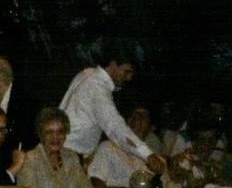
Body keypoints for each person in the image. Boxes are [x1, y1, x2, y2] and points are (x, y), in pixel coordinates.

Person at [59, 38, 165, 174]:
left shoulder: (87, 73)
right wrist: (148, 155)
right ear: (113, 64)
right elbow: (116, 128)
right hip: (68, 155)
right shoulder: (98, 89)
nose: (129, 78)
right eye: (126, 71)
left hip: (63, 151)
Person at [16, 108, 91, 188]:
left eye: (60, 132)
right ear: (41, 134)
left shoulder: (72, 156)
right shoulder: (31, 159)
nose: (55, 137)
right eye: (49, 132)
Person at [88, 105, 163, 187]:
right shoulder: (108, 147)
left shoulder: (154, 159)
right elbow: (97, 181)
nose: (136, 118)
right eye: (133, 115)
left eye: (142, 116)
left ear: (152, 128)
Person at [165, 116, 232, 188]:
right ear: (193, 142)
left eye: (210, 140)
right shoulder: (182, 162)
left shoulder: (215, 164)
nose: (206, 145)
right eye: (202, 140)